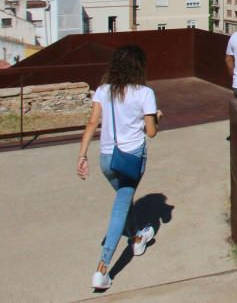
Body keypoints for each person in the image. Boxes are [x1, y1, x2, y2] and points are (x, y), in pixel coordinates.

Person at [77, 45, 163, 291]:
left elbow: (93, 122)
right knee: (120, 206)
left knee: (124, 200)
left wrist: (81, 156)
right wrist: (157, 116)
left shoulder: (103, 90)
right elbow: (151, 132)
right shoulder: (145, 93)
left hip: (107, 158)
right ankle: (102, 269)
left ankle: (137, 238)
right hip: (131, 158)